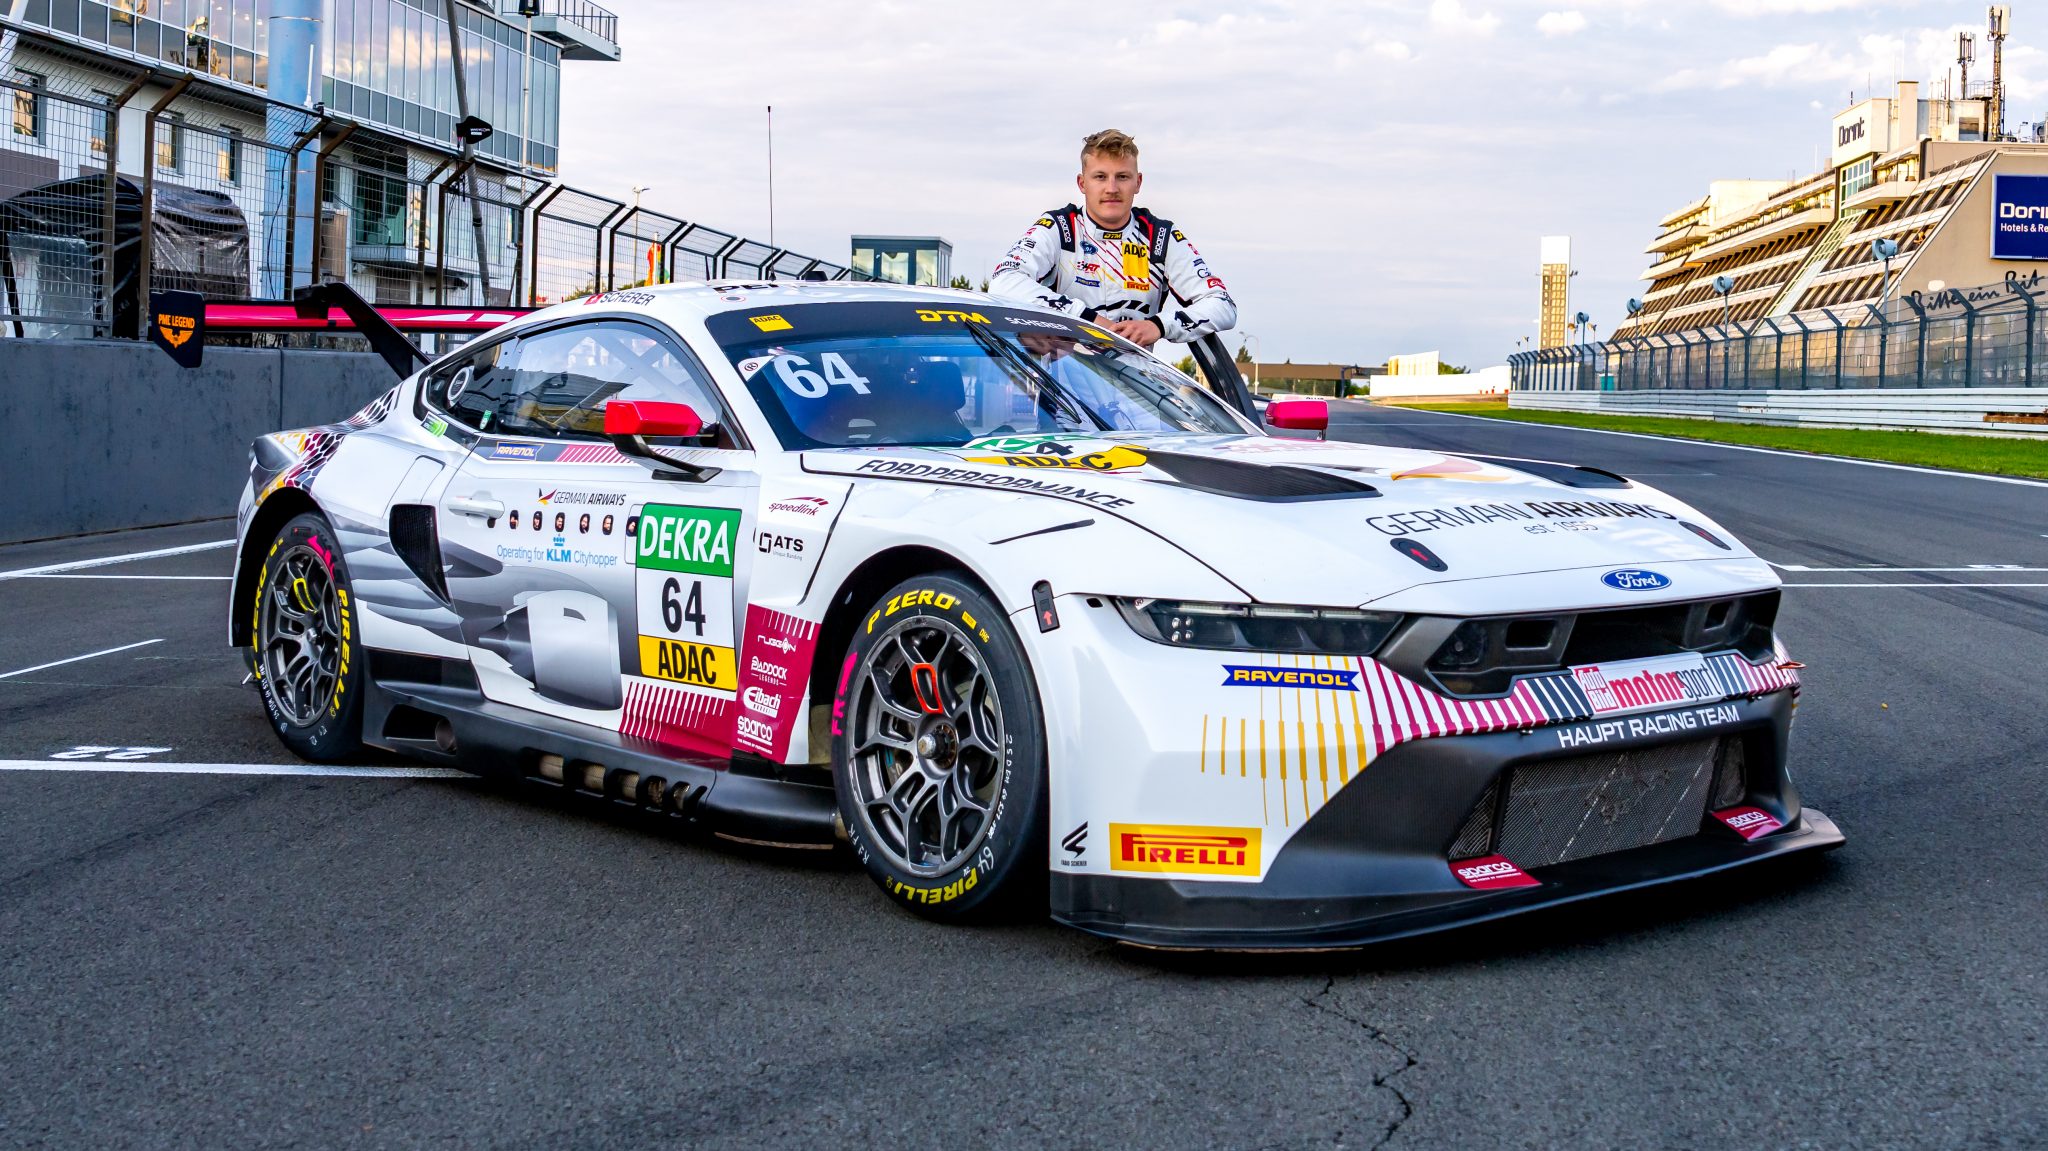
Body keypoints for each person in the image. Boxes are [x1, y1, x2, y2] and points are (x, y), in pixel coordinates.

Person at [988, 129, 1236, 350]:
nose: (1112, 188)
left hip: (1136, 382)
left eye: (1122, 177)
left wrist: (1159, 325)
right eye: (1100, 177)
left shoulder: (1159, 237)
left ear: (1138, 182)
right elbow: (1004, 280)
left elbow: (1223, 305)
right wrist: (1087, 320)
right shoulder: (1060, 228)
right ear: (1082, 183)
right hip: (1062, 382)